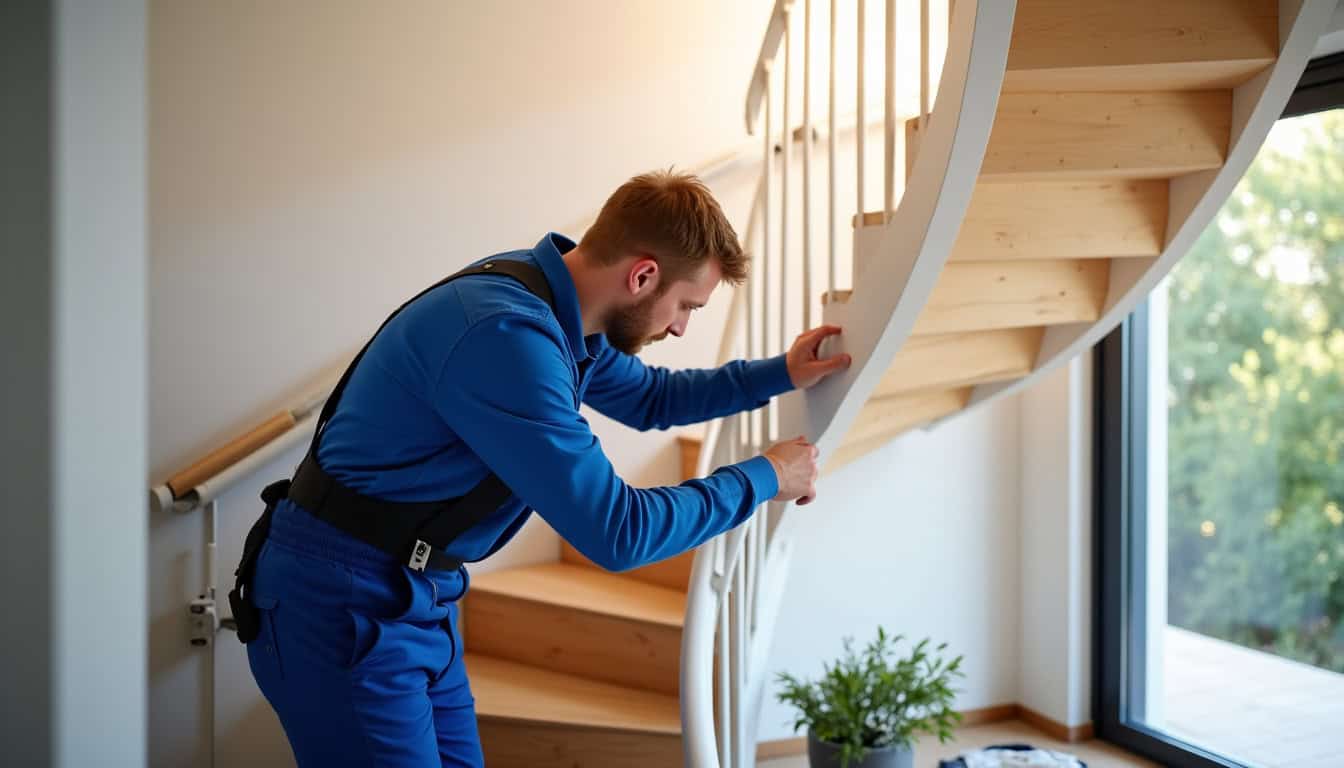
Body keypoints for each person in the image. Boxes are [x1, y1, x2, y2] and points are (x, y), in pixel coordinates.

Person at [238, 170, 851, 766]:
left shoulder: (558, 309)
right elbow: (618, 532)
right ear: (643, 275)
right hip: (343, 598)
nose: (682, 327)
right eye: (685, 305)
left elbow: (651, 399)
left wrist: (781, 374)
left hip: (418, 594)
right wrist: (764, 477)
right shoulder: (506, 335)